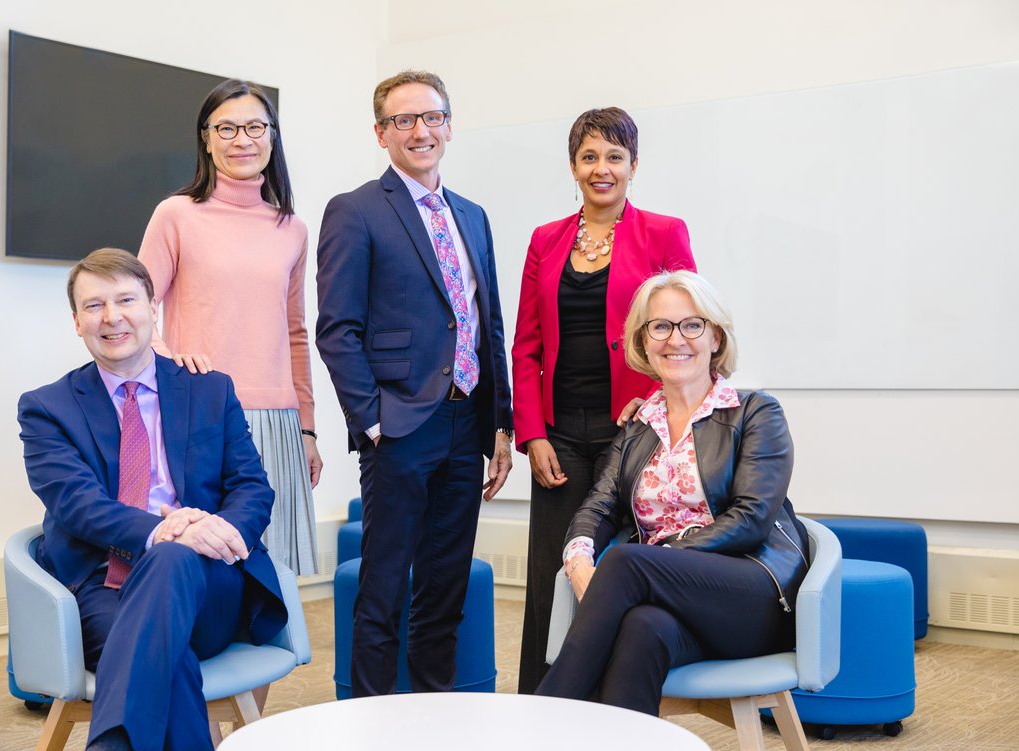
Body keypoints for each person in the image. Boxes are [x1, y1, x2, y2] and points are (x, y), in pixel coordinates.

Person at [17, 249, 287, 751]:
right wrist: (161, 529)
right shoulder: (46, 408)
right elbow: (75, 503)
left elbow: (252, 487)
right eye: (94, 305)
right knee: (170, 663)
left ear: (152, 309)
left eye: (125, 300)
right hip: (106, 588)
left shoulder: (209, 389)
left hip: (209, 584)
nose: (112, 316)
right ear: (76, 322)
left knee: (171, 559)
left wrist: (212, 534)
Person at [316, 70, 514, 697]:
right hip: (398, 426)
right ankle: (369, 723)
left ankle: (434, 719)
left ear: (449, 126)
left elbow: (486, 324)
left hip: (466, 422)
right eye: (403, 120)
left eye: (431, 117)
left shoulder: (472, 215)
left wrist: (500, 423)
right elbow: (337, 329)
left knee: (445, 587)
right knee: (382, 589)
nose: (420, 130)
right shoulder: (355, 210)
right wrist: (371, 420)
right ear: (381, 133)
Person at [536, 270, 808, 714]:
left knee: (626, 562)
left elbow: (752, 519)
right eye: (660, 326)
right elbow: (598, 506)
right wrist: (579, 559)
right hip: (664, 598)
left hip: (752, 596)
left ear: (715, 337)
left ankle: (544, 718)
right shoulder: (638, 426)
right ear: (643, 341)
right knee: (643, 629)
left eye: (692, 325)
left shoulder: (755, 413)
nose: (675, 339)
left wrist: (659, 557)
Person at [511, 107, 697, 693]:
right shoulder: (545, 240)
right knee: (553, 571)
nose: (602, 169)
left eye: (614, 157)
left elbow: (687, 334)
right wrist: (531, 433)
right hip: (559, 433)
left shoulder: (664, 233)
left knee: (618, 568)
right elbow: (526, 346)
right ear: (573, 167)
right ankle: (542, 701)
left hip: (635, 430)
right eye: (589, 157)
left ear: (633, 165)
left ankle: (612, 705)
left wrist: (652, 401)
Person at [138, 79, 320, 576]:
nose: (242, 139)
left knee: (273, 570)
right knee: (208, 562)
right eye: (227, 128)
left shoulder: (292, 228)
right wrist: (169, 357)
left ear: (272, 136)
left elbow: (295, 331)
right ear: (206, 138)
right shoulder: (175, 215)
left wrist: (306, 427)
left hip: (277, 418)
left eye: (255, 127)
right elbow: (138, 307)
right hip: (200, 410)